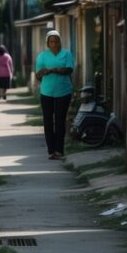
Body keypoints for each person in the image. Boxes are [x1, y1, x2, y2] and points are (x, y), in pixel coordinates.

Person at [34, 30, 74, 159]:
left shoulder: (66, 54)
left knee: (60, 121)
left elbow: (69, 69)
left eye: (57, 41)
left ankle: (59, 150)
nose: (54, 44)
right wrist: (44, 72)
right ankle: (51, 150)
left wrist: (55, 70)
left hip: (64, 92)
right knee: (48, 121)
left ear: (60, 42)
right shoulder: (42, 56)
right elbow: (38, 74)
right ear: (48, 43)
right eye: (51, 41)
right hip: (47, 92)